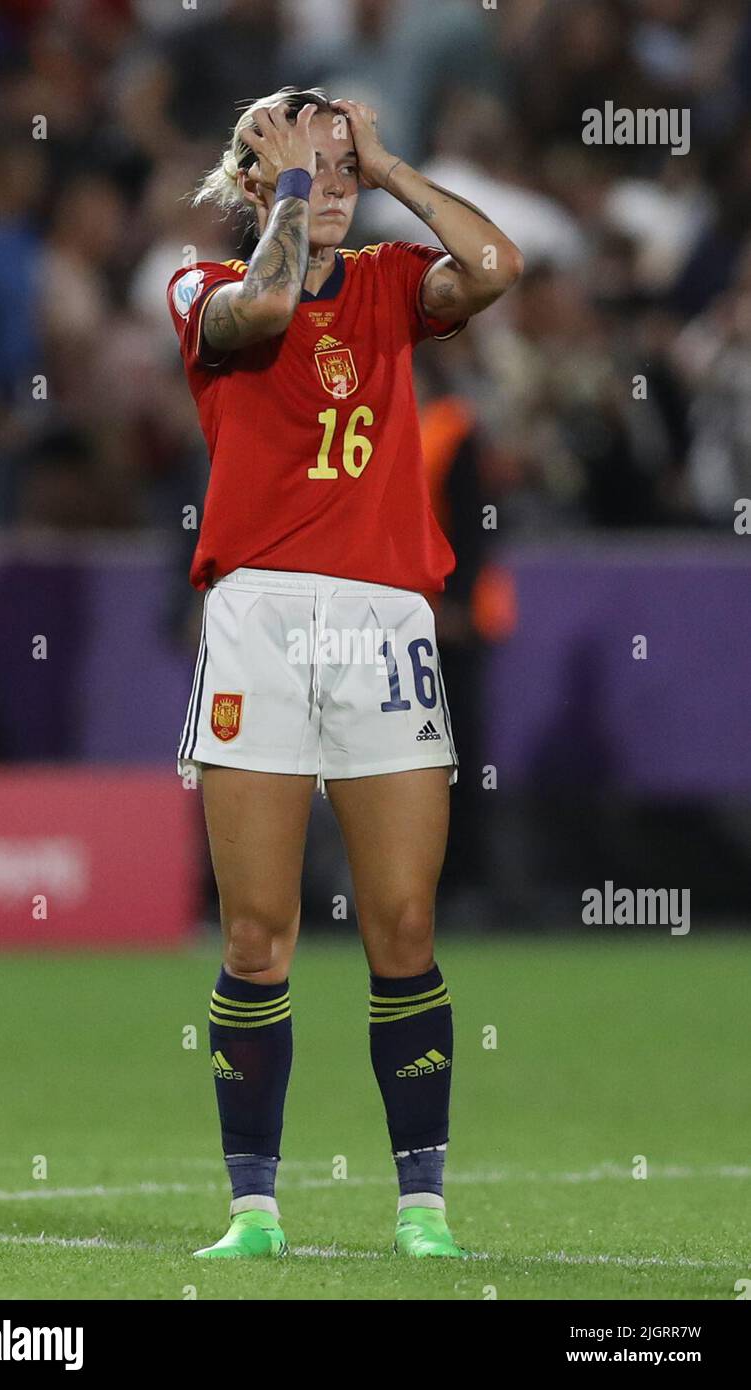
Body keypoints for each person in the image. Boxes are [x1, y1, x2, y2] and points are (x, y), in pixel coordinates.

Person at [166, 85, 523, 1259]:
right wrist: (293, 189)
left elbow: (497, 261)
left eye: (342, 170)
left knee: (404, 923)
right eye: (304, 168)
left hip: (384, 618)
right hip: (260, 615)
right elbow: (267, 305)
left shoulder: (386, 286)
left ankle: (422, 1207)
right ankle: (254, 1210)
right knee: (258, 933)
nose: (332, 191)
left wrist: (392, 165)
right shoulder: (204, 289)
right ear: (259, 181)